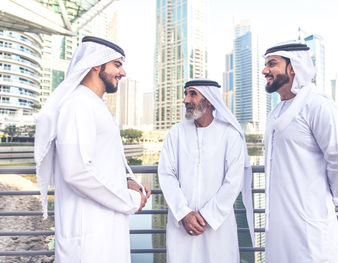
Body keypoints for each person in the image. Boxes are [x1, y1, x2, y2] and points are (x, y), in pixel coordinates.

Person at [34, 36, 151, 263]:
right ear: (97, 64)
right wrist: (130, 200)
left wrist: (125, 181)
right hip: (88, 239)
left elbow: (98, 161)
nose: (123, 72)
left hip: (105, 232)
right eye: (117, 65)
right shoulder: (78, 104)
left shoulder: (94, 105)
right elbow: (77, 171)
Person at [261, 42, 338, 262]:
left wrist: (321, 199)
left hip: (311, 224)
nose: (265, 70)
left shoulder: (318, 106)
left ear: (293, 67)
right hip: (279, 227)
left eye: (272, 64)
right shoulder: (275, 113)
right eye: (265, 64)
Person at [158, 79, 254, 263]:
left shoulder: (230, 135)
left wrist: (207, 216)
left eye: (192, 94)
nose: (186, 100)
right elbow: (166, 174)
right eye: (186, 94)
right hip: (181, 226)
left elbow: (233, 181)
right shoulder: (175, 133)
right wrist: (183, 213)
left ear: (209, 100)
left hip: (218, 227)